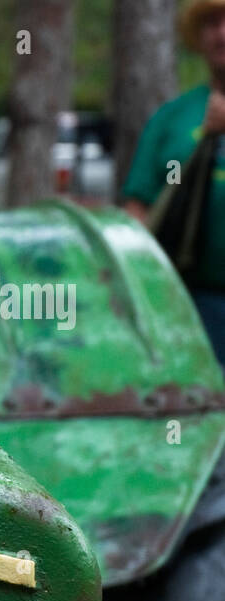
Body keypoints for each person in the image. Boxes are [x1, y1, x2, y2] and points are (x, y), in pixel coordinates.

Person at [123, 0, 225, 359]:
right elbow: (138, 210)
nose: (222, 33)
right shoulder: (172, 119)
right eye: (212, 23)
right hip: (187, 304)